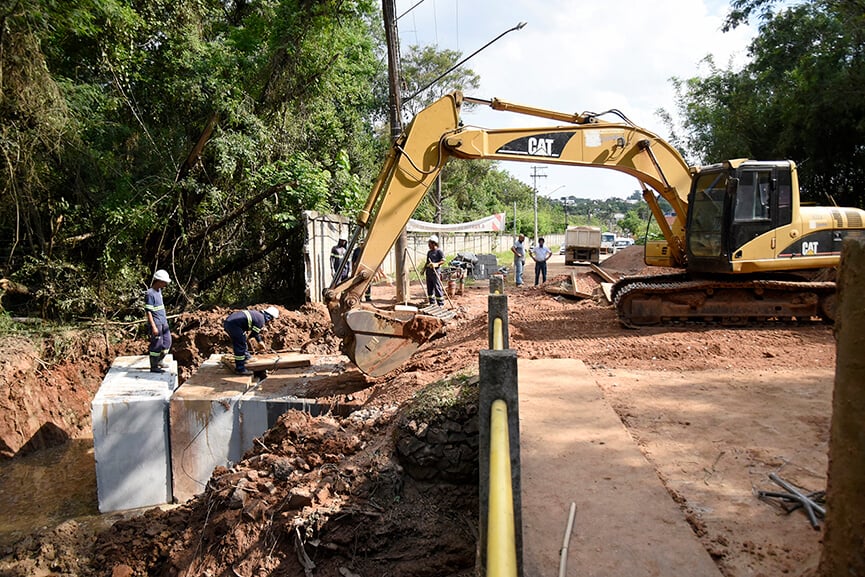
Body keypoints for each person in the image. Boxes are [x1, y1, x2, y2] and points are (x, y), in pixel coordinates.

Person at [223, 306, 280, 376]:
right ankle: (240, 369)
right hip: (234, 325)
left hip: (232, 323)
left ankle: (247, 357)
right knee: (240, 345)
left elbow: (255, 332)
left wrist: (259, 341)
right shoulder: (261, 320)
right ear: (269, 317)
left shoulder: (258, 315)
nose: (269, 321)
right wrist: (259, 342)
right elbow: (254, 333)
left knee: (242, 341)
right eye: (271, 319)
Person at [145, 269, 172, 373]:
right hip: (156, 323)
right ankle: (154, 366)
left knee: (167, 342)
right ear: (158, 281)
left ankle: (160, 361)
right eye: (164, 282)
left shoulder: (159, 291)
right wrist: (153, 327)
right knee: (156, 345)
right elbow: (149, 312)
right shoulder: (150, 294)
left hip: (163, 322)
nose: (165, 284)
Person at [424, 235, 445, 306]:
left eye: (429, 244)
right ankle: (432, 302)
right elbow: (427, 262)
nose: (428, 245)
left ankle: (440, 304)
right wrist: (423, 269)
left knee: (437, 287)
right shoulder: (429, 252)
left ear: (434, 243)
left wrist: (436, 264)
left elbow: (443, 260)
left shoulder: (439, 251)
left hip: (435, 273)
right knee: (429, 288)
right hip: (429, 273)